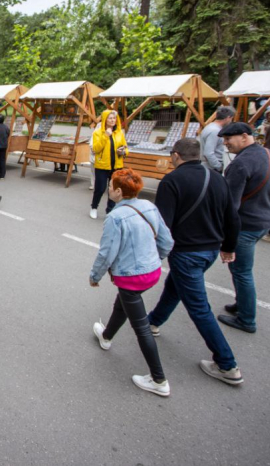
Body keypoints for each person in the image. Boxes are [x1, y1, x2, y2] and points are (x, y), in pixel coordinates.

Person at [146, 139, 243, 386]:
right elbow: (232, 217)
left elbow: (163, 225)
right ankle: (154, 322)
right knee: (175, 286)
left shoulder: (172, 181)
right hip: (211, 249)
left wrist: (152, 254)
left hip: (186, 251)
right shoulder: (217, 178)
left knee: (199, 308)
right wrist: (229, 247)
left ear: (176, 155)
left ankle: (227, 364)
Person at [89, 169, 174, 397]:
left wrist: (95, 276)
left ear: (118, 191)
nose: (108, 189)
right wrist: (155, 260)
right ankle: (106, 336)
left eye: (110, 186)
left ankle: (158, 380)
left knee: (141, 327)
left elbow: (107, 253)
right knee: (123, 305)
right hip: (153, 272)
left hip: (130, 277)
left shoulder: (116, 217)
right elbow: (166, 241)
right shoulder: (149, 206)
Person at [218, 122, 270, 333]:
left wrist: (225, 236)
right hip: (264, 219)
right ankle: (241, 304)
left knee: (241, 272)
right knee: (241, 270)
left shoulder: (241, 163)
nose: (226, 143)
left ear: (245, 137)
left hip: (244, 224)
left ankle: (247, 319)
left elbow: (229, 204)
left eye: (229, 139)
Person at [90, 109, 128, 219]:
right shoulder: (98, 133)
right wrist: (105, 135)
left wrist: (124, 151)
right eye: (110, 118)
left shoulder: (119, 133)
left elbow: (126, 148)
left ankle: (110, 210)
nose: (113, 120)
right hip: (102, 165)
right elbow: (96, 149)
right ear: (105, 120)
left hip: (117, 166)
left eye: (114, 118)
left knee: (114, 189)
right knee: (100, 188)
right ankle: (94, 207)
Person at [199, 105, 235, 173]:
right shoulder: (215, 131)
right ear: (228, 117)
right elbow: (208, 153)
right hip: (212, 168)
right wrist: (219, 167)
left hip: (210, 167)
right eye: (231, 118)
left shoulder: (211, 127)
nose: (231, 121)